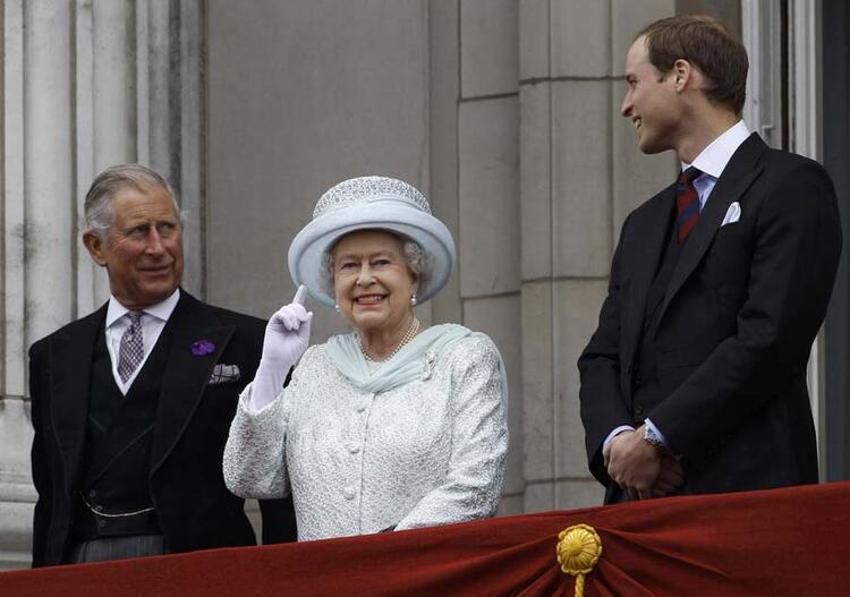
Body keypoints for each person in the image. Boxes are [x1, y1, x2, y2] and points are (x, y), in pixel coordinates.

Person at [578, 15, 842, 503]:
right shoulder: (643, 223)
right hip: (640, 507)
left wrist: (659, 437)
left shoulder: (791, 186)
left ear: (680, 75)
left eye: (634, 83)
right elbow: (601, 356)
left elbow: (769, 338)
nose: (625, 106)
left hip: (748, 500)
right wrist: (621, 445)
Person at [29, 164, 296, 566]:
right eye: (139, 232)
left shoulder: (249, 343)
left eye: (167, 228)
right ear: (96, 246)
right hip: (83, 571)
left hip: (202, 572)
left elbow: (280, 492)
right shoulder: (55, 355)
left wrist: (286, 582)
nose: (158, 248)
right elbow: (51, 501)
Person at [223, 175, 509, 541]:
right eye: (348, 266)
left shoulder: (464, 358)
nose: (364, 278)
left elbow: (477, 488)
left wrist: (376, 559)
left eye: (381, 262)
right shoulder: (315, 367)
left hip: (425, 579)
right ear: (333, 284)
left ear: (414, 277)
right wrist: (272, 371)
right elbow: (249, 476)